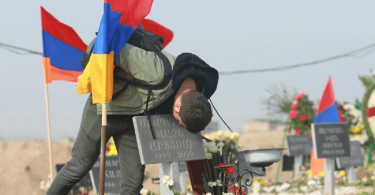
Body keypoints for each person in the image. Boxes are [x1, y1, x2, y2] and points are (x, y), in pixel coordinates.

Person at [47, 30, 219, 195]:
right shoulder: (155, 71)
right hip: (105, 110)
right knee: (79, 166)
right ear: (178, 107)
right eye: (180, 123)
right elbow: (113, 46)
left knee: (133, 182)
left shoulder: (196, 90)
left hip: (134, 120)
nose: (179, 126)